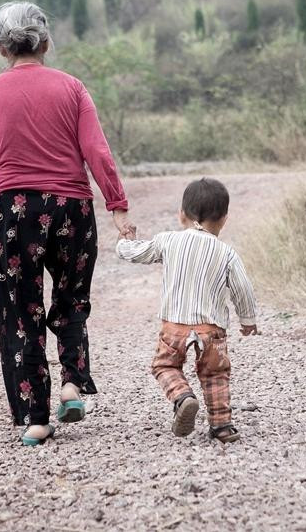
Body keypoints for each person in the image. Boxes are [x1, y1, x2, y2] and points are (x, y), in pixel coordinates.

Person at [0, 1, 136, 446]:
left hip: (15, 213)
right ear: (47, 42)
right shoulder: (73, 88)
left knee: (20, 311)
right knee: (73, 299)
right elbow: (97, 151)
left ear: (1, 48)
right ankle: (72, 384)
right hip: (73, 210)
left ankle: (36, 418)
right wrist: (117, 204)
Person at [116, 177, 258, 443]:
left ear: (182, 214)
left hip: (175, 327)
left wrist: (126, 240)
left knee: (165, 365)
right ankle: (222, 426)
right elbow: (243, 288)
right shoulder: (227, 253)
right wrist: (248, 319)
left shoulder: (168, 241)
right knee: (215, 374)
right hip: (212, 329)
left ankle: (183, 397)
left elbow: (134, 253)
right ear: (224, 219)